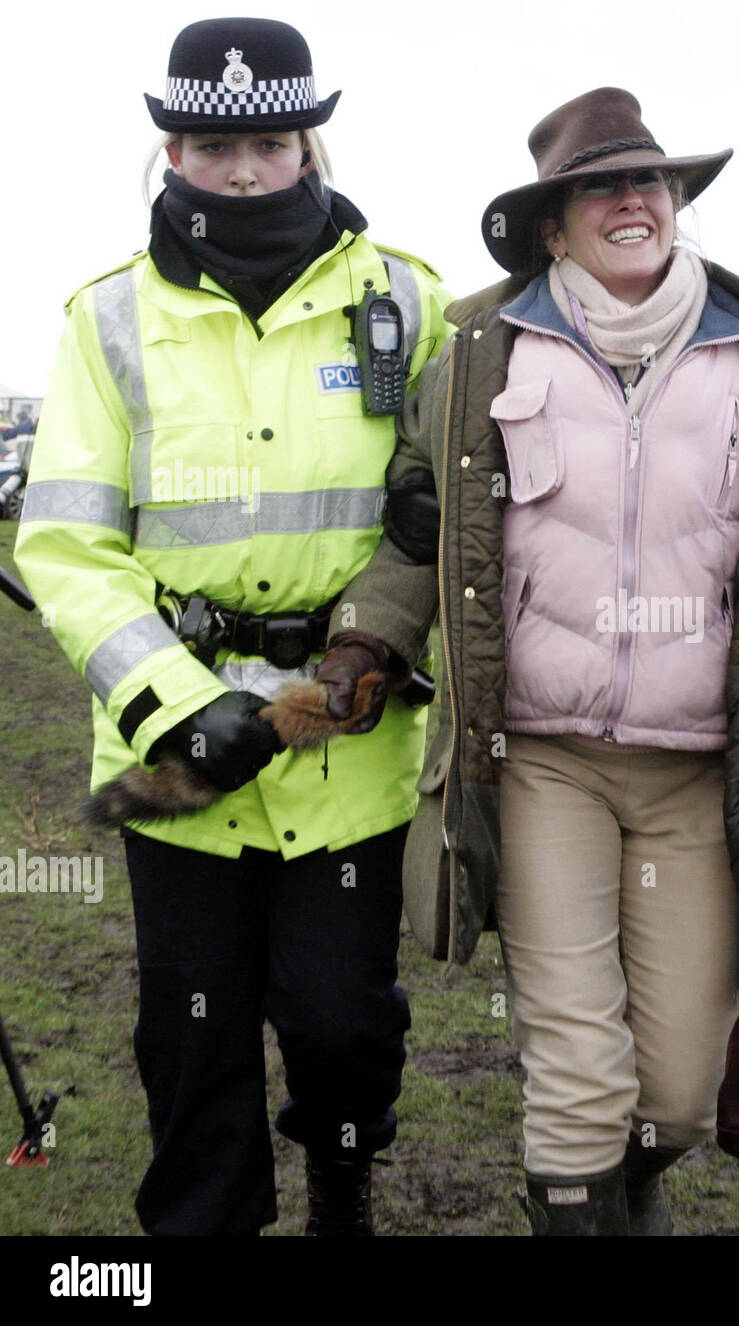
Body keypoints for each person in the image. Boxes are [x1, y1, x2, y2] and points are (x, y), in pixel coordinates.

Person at [322, 87, 739, 1235]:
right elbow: (427, 533)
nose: (634, 200)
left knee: (679, 1087)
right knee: (579, 1064)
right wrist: (364, 635)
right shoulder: (479, 356)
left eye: (652, 182)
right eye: (601, 187)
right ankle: (579, 1203)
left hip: (699, 771)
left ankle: (619, 1194)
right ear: (552, 226)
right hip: (539, 761)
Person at [15, 18, 453, 1235]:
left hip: (350, 747)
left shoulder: (413, 301)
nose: (247, 169)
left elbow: (455, 510)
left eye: (270, 140)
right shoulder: (104, 321)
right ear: (171, 150)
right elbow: (63, 542)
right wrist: (180, 707)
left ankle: (344, 1182)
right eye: (216, 144)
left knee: (343, 1022)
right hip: (178, 766)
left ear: (312, 140)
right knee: (193, 1034)